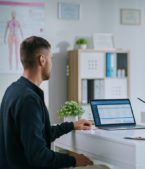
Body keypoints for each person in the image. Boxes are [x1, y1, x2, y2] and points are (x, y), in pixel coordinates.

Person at [0, 36, 93, 168]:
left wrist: (71, 125)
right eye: (51, 58)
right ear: (42, 60)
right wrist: (74, 160)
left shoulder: (13, 90)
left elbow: (38, 134)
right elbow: (39, 157)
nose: (52, 63)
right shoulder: (29, 99)